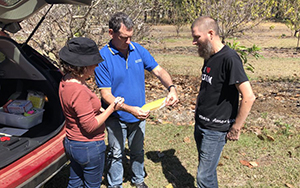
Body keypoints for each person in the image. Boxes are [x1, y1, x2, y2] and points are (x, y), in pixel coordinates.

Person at [94, 12, 179, 188]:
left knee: (137, 151)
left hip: (139, 115)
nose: (128, 42)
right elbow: (106, 95)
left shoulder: (137, 49)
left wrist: (172, 88)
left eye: (131, 37)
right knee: (116, 152)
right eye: (124, 37)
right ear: (111, 33)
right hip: (116, 117)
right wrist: (130, 109)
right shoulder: (103, 58)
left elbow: (159, 71)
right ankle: (115, 183)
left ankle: (138, 179)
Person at [191, 16, 256, 188]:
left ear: (210, 33)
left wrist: (236, 127)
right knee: (208, 171)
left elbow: (248, 97)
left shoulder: (230, 58)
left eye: (197, 37)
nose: (193, 42)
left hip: (215, 130)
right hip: (201, 124)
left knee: (203, 177)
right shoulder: (209, 55)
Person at [58, 37, 124, 188]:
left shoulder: (66, 80)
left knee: (74, 182)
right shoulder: (79, 90)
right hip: (89, 146)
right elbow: (90, 126)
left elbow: (78, 109)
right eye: (93, 63)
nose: (96, 66)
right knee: (92, 185)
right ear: (83, 66)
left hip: (72, 143)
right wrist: (111, 108)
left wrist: (99, 109)